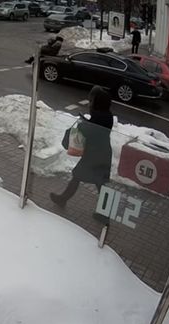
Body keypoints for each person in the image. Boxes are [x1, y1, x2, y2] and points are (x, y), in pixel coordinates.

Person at [50, 86, 114, 222]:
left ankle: (63, 199)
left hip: (95, 156)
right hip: (100, 153)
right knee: (98, 182)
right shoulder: (106, 115)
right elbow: (95, 127)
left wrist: (82, 124)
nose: (90, 103)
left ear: (98, 102)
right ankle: (104, 214)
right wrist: (87, 122)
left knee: (81, 177)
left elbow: (92, 131)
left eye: (92, 101)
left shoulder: (101, 116)